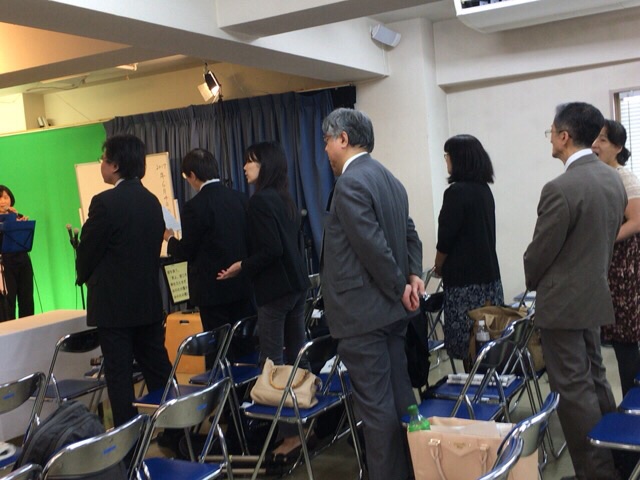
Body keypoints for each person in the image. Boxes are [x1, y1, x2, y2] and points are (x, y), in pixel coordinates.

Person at [320, 108, 424, 480]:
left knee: (377, 413)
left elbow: (372, 247)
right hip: (390, 313)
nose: (326, 150)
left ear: (343, 139)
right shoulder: (390, 180)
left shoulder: (350, 184)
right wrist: (413, 275)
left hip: (363, 316)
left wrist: (401, 287)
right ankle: (414, 470)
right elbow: (410, 234)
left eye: (327, 141)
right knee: (401, 402)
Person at [524, 102, 625, 480]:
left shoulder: (561, 188)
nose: (550, 138)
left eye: (551, 132)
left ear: (564, 136)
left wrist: (531, 279)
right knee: (596, 380)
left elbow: (539, 253)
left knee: (573, 391)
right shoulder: (611, 179)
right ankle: (615, 461)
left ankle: (595, 474)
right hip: (594, 294)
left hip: (563, 304)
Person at [217, 141, 310, 461]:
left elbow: (271, 250)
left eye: (251, 162)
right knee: (297, 357)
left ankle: (287, 435)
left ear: (266, 166)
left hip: (275, 291)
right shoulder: (284, 198)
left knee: (272, 365)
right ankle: (304, 424)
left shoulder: (259, 202)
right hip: (296, 287)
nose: (245, 167)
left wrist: (242, 266)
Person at [76, 134, 173, 428]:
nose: (101, 165)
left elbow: (87, 251)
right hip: (147, 302)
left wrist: (83, 276)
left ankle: (128, 441)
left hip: (114, 308)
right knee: (157, 370)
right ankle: (175, 429)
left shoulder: (104, 203)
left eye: (103, 160)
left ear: (115, 165)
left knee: (119, 377)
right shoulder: (152, 201)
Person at [164, 148, 255, 363]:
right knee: (245, 347)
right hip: (242, 285)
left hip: (212, 291)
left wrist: (169, 239)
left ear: (193, 175)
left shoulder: (194, 207)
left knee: (219, 352)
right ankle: (249, 383)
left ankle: (222, 384)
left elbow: (187, 251)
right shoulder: (241, 199)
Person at [434, 135, 503, 368]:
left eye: (447, 155)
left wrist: (438, 266)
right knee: (486, 345)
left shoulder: (456, 192)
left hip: (465, 285)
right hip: (489, 280)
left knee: (470, 348)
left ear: (459, 159)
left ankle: (475, 389)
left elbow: (445, 239)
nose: (446, 160)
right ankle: (487, 388)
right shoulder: (484, 190)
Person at [592, 120, 640, 397]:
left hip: (623, 267)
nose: (595, 145)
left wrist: (605, 240)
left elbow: (636, 221)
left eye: (603, 140)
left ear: (618, 147)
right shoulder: (599, 175)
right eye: (595, 139)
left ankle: (631, 403)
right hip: (605, 265)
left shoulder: (624, 177)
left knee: (625, 339)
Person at [0, 185, 34, 321]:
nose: (3, 201)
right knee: (9, 302)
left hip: (22, 261)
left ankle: (29, 328)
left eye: (6, 197)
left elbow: (24, 238)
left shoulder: (18, 216)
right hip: (5, 264)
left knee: (27, 300)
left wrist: (20, 223)